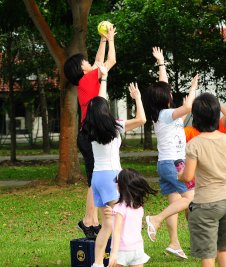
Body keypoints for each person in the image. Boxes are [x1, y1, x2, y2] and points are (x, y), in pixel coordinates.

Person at [143, 47, 198, 259]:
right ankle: (155, 219)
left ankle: (175, 243)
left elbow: (164, 87)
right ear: (166, 99)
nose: (171, 93)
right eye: (169, 94)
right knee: (190, 198)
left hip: (166, 163)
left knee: (176, 202)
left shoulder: (163, 115)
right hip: (174, 163)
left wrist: (161, 63)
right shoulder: (167, 114)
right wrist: (193, 87)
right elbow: (189, 106)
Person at [85, 81, 146, 267]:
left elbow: (98, 102)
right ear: (106, 110)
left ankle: (97, 263)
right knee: (119, 222)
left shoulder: (89, 129)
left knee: (107, 225)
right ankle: (120, 259)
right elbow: (142, 119)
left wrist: (103, 79)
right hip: (112, 177)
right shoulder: (116, 126)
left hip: (97, 178)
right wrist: (138, 99)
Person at [63, 25, 116, 239]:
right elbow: (109, 62)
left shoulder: (86, 79)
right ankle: (88, 220)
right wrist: (111, 39)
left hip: (88, 134)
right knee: (94, 179)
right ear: (80, 68)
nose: (88, 61)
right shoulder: (87, 79)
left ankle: (91, 221)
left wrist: (102, 40)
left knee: (94, 178)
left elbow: (98, 62)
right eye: (83, 61)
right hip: (89, 135)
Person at [180, 92, 226, 267]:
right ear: (216, 116)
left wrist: (180, 174)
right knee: (224, 250)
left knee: (208, 253)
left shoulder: (194, 144)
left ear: (196, 118)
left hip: (207, 203)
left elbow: (188, 176)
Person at [108, 169, 157, 267]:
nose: (115, 184)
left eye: (117, 181)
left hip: (121, 250)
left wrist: (113, 253)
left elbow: (117, 231)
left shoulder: (119, 207)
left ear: (121, 186)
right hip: (137, 248)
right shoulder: (139, 206)